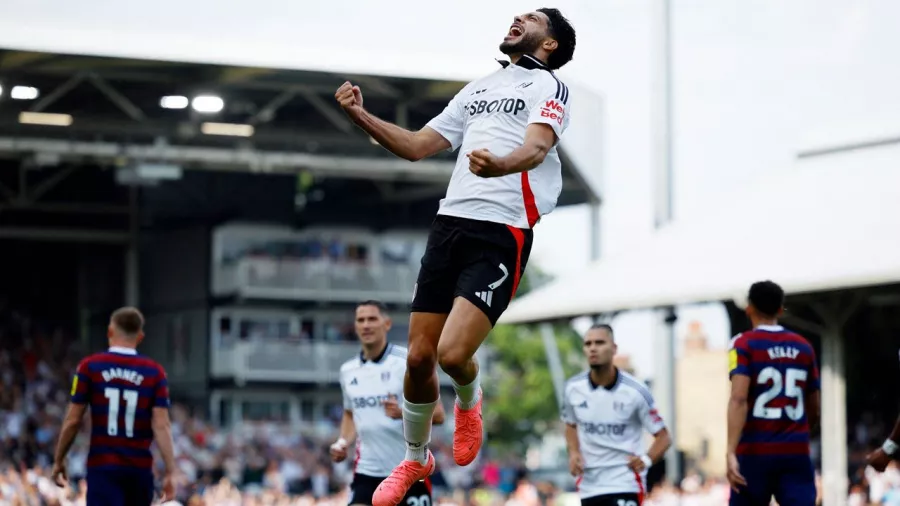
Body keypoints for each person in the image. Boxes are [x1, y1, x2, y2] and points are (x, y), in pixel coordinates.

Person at [334, 9, 576, 506]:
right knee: (419, 357)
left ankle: (470, 395)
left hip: (502, 229)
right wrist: (360, 115)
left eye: (529, 18)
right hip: (450, 225)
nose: (516, 18)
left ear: (549, 43)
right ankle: (417, 457)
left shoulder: (549, 87)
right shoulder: (477, 88)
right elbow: (418, 146)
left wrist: (499, 167)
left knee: (450, 355)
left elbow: (535, 149)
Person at [51, 307, 177, 506]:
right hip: (139, 470)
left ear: (109, 332)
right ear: (140, 337)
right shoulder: (155, 373)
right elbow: (162, 426)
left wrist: (59, 459)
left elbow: (73, 419)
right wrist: (170, 471)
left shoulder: (89, 367)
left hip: (103, 467)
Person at [330, 301, 446, 506]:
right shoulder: (348, 371)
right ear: (355, 326)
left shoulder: (408, 362)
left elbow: (438, 414)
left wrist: (403, 412)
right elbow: (350, 414)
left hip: (408, 471)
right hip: (367, 472)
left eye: (372, 319)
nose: (366, 325)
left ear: (387, 324)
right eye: (361, 320)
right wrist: (342, 442)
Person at [726, 281, 820, 506]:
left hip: (754, 452)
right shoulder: (804, 347)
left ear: (748, 307)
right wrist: (798, 434)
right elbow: (814, 407)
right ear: (780, 309)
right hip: (795, 452)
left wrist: (730, 451)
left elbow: (738, 398)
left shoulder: (741, 344)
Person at [561, 324, 671, 506]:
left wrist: (645, 459)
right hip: (590, 484)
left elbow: (664, 437)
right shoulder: (573, 389)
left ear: (614, 349)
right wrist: (573, 452)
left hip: (625, 481)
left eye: (599, 343)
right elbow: (570, 424)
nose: (593, 348)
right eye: (588, 344)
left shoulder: (636, 391)